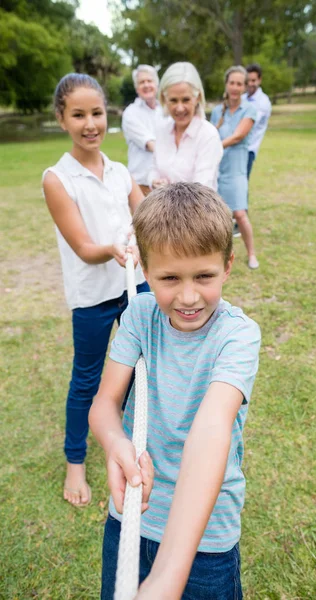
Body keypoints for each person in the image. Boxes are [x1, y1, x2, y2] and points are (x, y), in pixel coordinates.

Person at [89, 182, 261, 600]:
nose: (188, 297)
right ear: (145, 272)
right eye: (169, 278)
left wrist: (169, 573)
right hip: (131, 517)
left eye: (204, 276)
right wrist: (116, 443)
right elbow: (105, 404)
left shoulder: (238, 336)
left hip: (204, 540)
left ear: (228, 265)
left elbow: (212, 429)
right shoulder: (140, 315)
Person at [42, 73, 151, 508]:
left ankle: (130, 441)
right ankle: (74, 462)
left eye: (98, 113)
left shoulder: (122, 171)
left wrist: (146, 233)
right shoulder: (57, 178)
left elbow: (145, 218)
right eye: (79, 114)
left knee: (138, 368)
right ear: (61, 119)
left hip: (134, 286)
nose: (91, 123)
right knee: (87, 379)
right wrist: (112, 248)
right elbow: (86, 248)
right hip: (93, 296)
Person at [211, 66, 259, 269]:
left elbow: (239, 135)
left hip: (236, 169)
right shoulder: (217, 111)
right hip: (217, 169)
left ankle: (251, 254)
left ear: (245, 86)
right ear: (226, 84)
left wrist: (215, 147)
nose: (235, 87)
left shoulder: (249, 110)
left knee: (239, 213)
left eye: (240, 83)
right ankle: (217, 257)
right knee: (217, 215)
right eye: (232, 82)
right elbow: (211, 134)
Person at [149, 62, 223, 190]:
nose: (179, 108)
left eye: (186, 100)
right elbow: (154, 168)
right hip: (163, 209)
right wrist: (154, 181)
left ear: (198, 97)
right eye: (173, 100)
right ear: (164, 99)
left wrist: (168, 190)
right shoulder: (162, 131)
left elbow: (202, 188)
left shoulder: (208, 135)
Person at [122, 65, 164, 196]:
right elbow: (151, 145)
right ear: (136, 88)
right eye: (141, 82)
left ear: (156, 84)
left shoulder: (165, 111)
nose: (146, 85)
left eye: (149, 81)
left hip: (164, 183)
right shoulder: (130, 113)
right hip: (141, 184)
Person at [242, 63, 272, 180]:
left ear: (259, 80)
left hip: (249, 150)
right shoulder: (243, 98)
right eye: (248, 80)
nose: (250, 84)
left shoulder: (263, 102)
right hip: (236, 148)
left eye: (253, 80)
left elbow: (248, 127)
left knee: (242, 184)